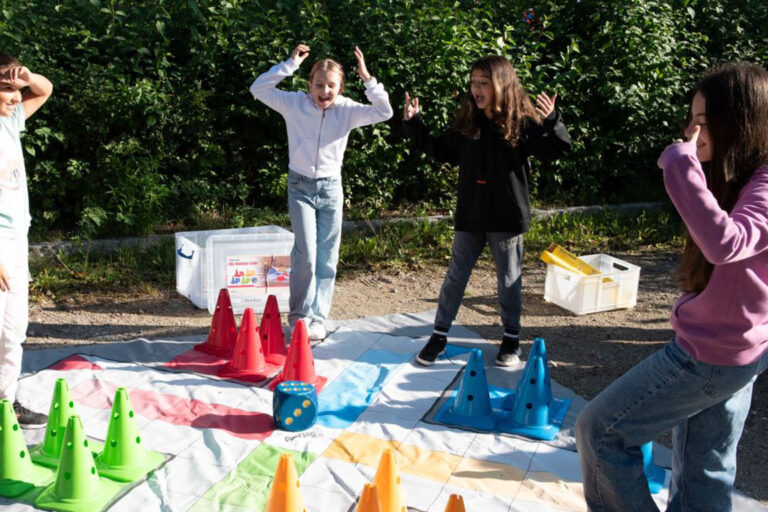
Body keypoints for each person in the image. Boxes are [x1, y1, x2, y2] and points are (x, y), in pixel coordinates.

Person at [575, 62, 768, 512]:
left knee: (600, 432)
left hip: (712, 356)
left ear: (738, 124)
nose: (691, 133)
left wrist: (681, 165)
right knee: (705, 472)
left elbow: (726, 243)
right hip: (734, 349)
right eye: (691, 121)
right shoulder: (741, 177)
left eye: (703, 123)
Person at [403, 55, 570, 366]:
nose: (476, 88)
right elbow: (441, 151)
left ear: (501, 85)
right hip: (471, 215)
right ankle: (438, 336)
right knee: (456, 276)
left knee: (509, 279)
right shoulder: (469, 122)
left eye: (484, 83)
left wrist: (552, 122)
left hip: (506, 217)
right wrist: (414, 124)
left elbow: (556, 150)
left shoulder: (521, 122)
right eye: (473, 82)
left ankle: (510, 340)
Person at [250, 44, 393, 341]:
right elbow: (259, 88)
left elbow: (385, 111)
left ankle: (318, 316)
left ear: (340, 88)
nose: (324, 91)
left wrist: (368, 79)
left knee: (327, 257)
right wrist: (289, 64)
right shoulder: (294, 103)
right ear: (309, 85)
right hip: (300, 186)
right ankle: (300, 316)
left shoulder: (348, 110)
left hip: (331, 188)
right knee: (306, 254)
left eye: (331, 85)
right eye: (319, 84)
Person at [0, 54, 53, 427]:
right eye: (6, 90)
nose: (16, 97)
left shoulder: (10, 122)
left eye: (17, 91)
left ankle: (6, 402)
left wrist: (26, 76)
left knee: (13, 328)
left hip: (17, 241)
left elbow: (45, 90)